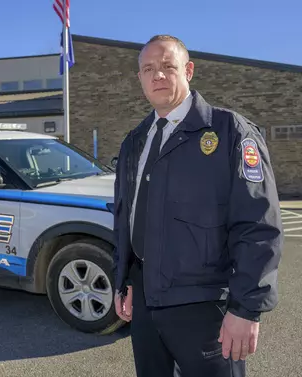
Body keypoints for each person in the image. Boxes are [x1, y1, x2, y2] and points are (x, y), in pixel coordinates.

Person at [112, 34, 283, 377]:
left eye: (167, 66)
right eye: (148, 69)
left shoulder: (230, 132)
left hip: (206, 307)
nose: (157, 75)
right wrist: (125, 278)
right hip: (146, 303)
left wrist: (246, 309)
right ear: (140, 79)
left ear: (188, 70)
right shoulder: (135, 142)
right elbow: (128, 217)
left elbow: (258, 224)